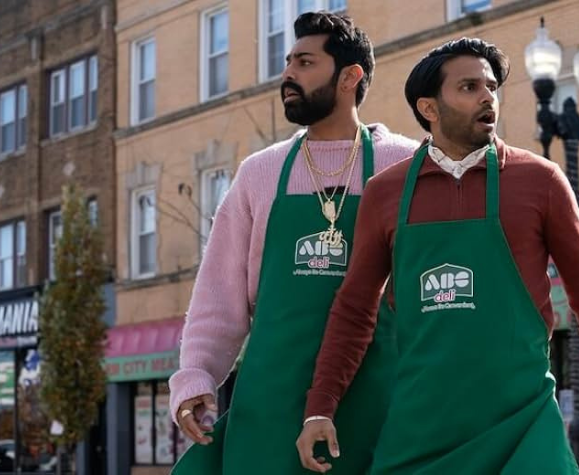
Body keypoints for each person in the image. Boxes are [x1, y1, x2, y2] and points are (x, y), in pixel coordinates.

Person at [296, 38, 579, 474]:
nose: (487, 97)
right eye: (468, 87)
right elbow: (353, 310)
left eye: (491, 86)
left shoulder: (541, 181)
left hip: (524, 427)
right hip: (421, 432)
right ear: (429, 108)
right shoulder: (384, 194)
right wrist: (320, 408)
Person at [168, 12, 418, 474]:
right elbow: (218, 298)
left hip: (379, 407)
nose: (288, 75)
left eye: (305, 62)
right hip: (270, 412)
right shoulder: (259, 173)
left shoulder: (405, 165)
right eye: (288, 62)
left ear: (350, 77)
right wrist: (196, 376)